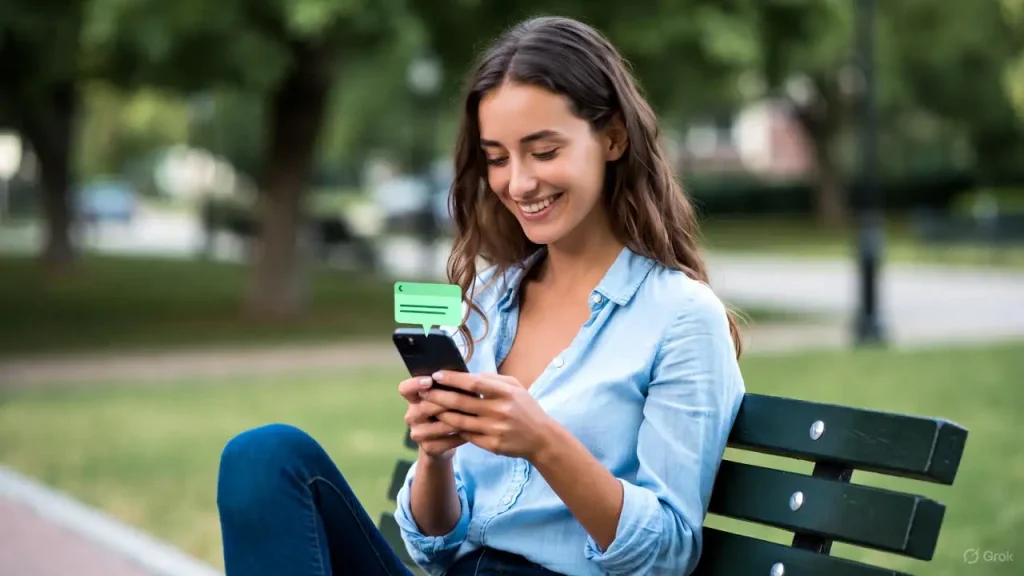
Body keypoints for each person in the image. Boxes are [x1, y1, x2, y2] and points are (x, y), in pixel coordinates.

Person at [216, 15, 745, 576]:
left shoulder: (681, 318)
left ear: (613, 137)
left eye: (543, 151)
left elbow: (669, 551)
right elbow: (432, 547)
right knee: (263, 457)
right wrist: (435, 457)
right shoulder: (489, 299)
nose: (518, 183)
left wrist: (544, 442)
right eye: (497, 158)